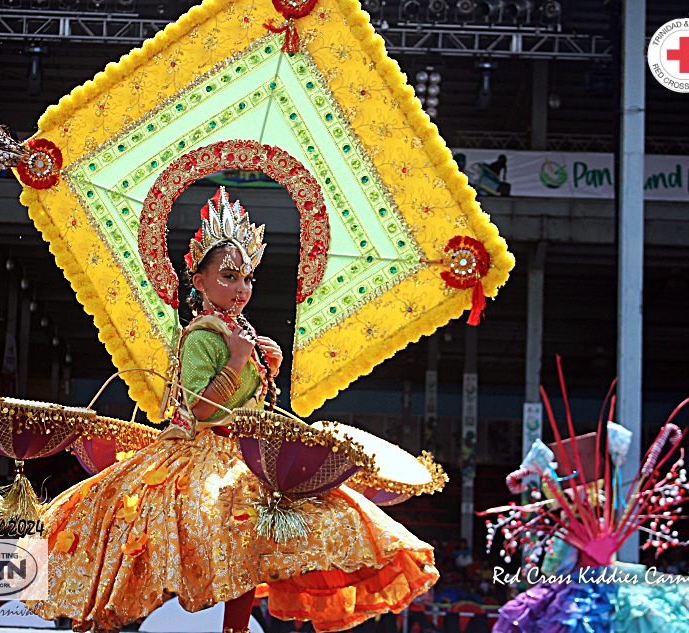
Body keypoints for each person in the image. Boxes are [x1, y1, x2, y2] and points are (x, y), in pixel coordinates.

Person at [22, 188, 439, 633]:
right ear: (199, 283)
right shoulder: (202, 335)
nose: (241, 289)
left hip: (242, 453)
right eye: (228, 277)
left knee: (253, 544)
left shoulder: (239, 331)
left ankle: (234, 630)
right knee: (171, 546)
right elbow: (201, 409)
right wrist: (240, 360)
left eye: (247, 279)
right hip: (201, 456)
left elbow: (251, 408)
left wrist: (267, 370)